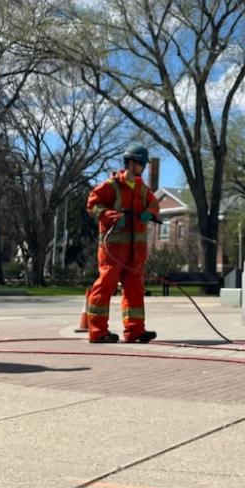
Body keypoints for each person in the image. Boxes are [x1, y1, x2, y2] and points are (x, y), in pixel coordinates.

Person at [81, 144, 163, 344]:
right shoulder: (111, 186)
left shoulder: (143, 189)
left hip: (135, 252)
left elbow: (154, 205)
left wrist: (149, 213)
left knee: (135, 290)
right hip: (113, 250)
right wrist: (112, 216)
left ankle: (135, 331)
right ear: (132, 163)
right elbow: (92, 204)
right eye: (141, 164)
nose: (143, 168)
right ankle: (98, 331)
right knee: (105, 286)